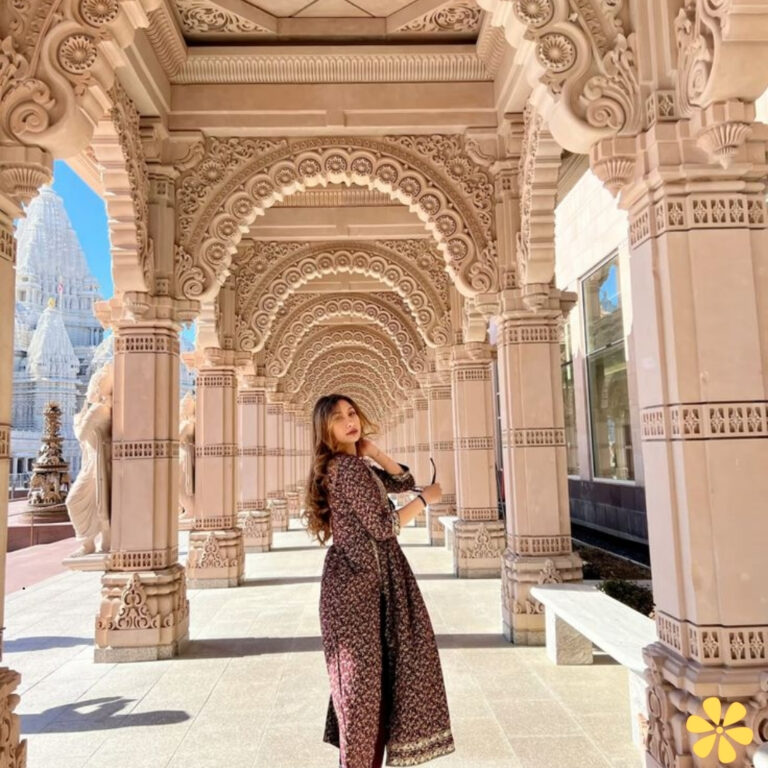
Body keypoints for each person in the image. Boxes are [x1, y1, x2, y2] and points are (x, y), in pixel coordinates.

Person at [302, 393, 455, 768]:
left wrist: (373, 451)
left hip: (365, 584)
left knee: (368, 693)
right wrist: (426, 500)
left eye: (352, 412)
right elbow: (385, 526)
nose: (349, 421)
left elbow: (403, 480)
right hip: (358, 590)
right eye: (338, 418)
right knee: (363, 695)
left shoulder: (353, 465)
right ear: (325, 429)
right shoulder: (347, 469)